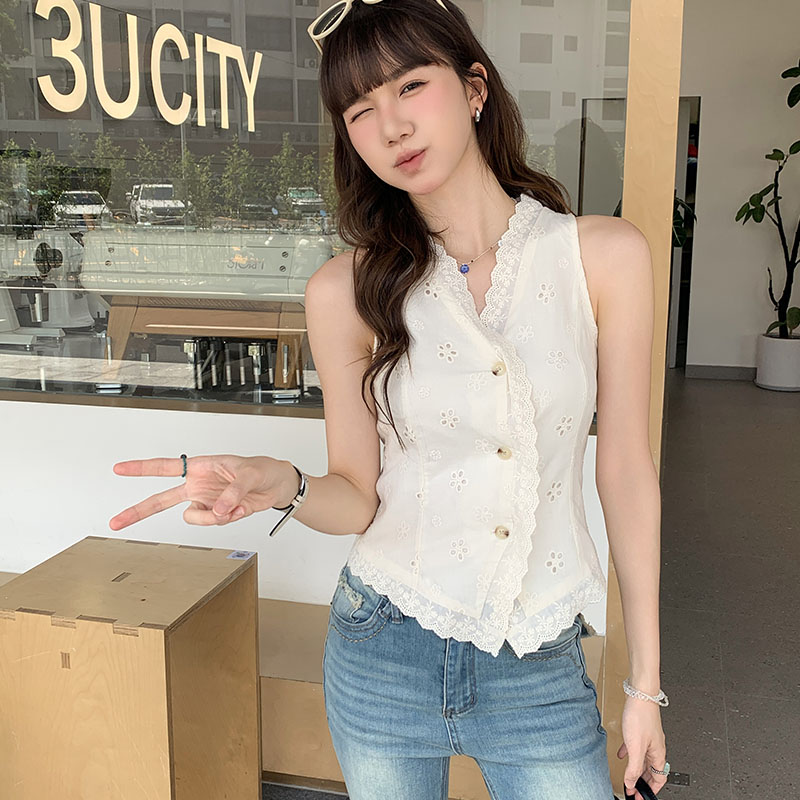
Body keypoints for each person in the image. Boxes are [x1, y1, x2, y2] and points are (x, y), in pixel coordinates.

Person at [109, 1, 669, 798]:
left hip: (536, 662)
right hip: (383, 649)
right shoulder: (346, 290)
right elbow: (357, 497)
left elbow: (626, 472)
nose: (393, 126)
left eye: (410, 86)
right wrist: (284, 485)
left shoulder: (602, 257)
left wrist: (644, 686)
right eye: (360, 110)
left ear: (474, 88)